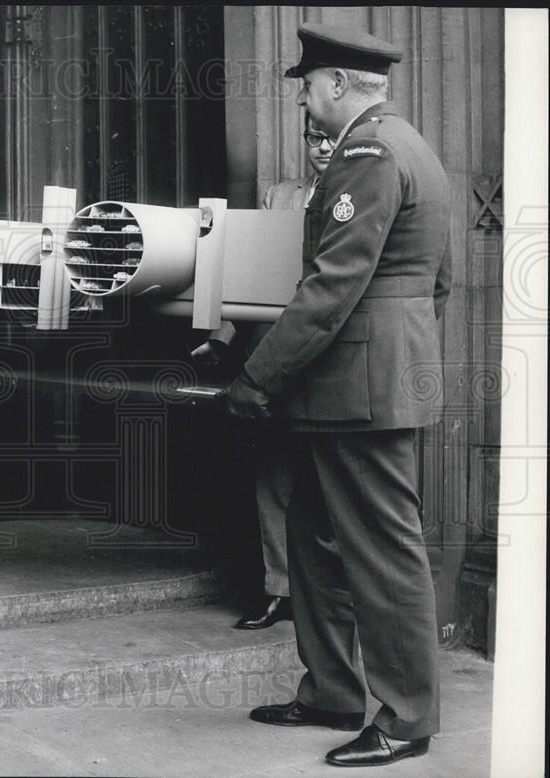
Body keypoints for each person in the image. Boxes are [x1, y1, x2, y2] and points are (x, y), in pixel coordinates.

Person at [226, 22, 451, 768]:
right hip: (362, 380)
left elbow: (332, 286)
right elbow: (436, 284)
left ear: (336, 84)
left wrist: (259, 374)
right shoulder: (412, 146)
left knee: (383, 553)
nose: (304, 102)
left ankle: (407, 719)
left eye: (308, 87)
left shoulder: (367, 152)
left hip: (358, 387)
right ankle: (331, 691)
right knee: (314, 540)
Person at [232, 114, 336, 631]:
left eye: (331, 137)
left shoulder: (362, 189)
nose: (322, 146)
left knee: (328, 479)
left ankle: (328, 601)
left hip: (331, 354)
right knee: (274, 472)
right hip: (273, 348)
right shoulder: (280, 196)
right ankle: (278, 589)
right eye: (313, 138)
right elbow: (249, 269)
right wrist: (222, 336)